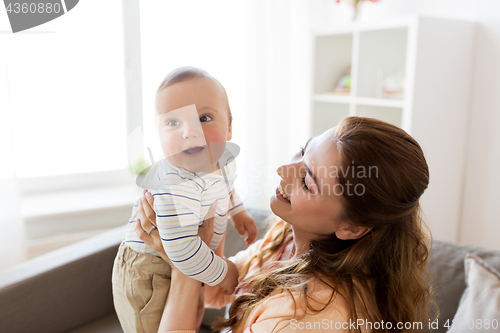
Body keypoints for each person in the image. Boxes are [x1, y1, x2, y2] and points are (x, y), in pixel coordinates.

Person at [136, 116, 435, 333]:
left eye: (306, 180)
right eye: (304, 151)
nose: (283, 170)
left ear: (352, 227)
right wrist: (198, 231)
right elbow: (221, 289)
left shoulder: (309, 319)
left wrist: (183, 256)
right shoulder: (289, 239)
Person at [112, 66, 258, 333]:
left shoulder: (221, 162)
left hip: (196, 260)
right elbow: (179, 250)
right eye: (173, 123)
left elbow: (225, 187)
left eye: (204, 117)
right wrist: (226, 273)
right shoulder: (175, 184)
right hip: (151, 271)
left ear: (229, 129)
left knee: (192, 314)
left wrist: (239, 213)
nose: (189, 131)